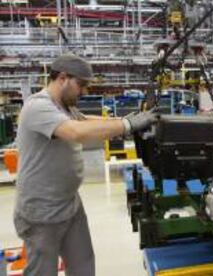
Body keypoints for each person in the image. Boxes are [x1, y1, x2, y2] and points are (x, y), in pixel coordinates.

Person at [14, 54, 157, 276]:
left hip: (69, 203)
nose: (84, 92)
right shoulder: (38, 106)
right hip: (41, 210)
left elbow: (84, 121)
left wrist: (127, 119)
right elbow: (75, 132)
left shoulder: (64, 107)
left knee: (83, 265)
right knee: (43, 271)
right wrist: (126, 125)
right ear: (62, 78)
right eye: (81, 85)